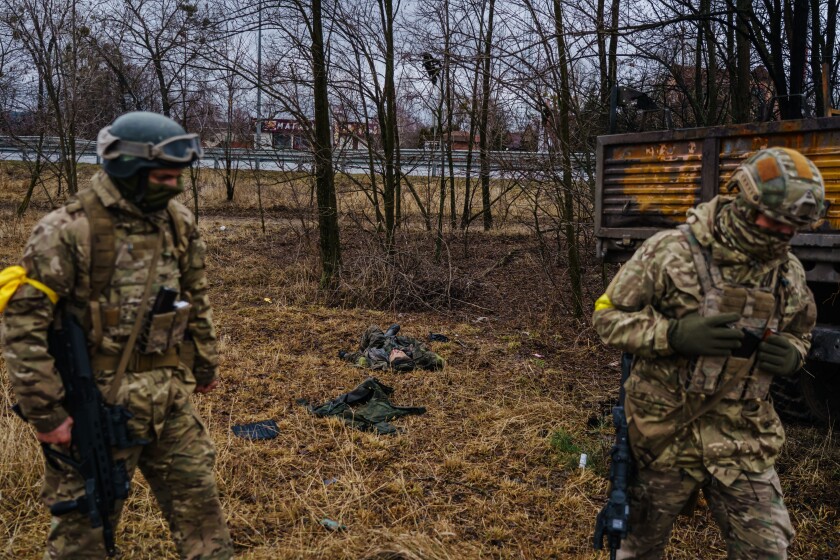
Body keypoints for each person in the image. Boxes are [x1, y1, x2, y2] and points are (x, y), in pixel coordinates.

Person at [1, 112, 233, 559]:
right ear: (129, 170)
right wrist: (47, 414)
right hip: (99, 404)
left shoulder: (176, 222)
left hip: (169, 399)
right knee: (83, 532)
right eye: (165, 177)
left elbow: (195, 296)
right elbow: (22, 329)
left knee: (202, 515)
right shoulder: (67, 231)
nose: (175, 186)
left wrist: (205, 364)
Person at [592, 147, 824, 559]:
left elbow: (800, 332)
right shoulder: (671, 252)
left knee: (767, 553)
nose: (785, 234)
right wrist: (673, 334)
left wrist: (793, 354)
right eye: (778, 222)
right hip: (665, 433)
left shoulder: (788, 273)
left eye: (795, 227)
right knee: (636, 551)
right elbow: (607, 316)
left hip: (742, 439)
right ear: (744, 201)